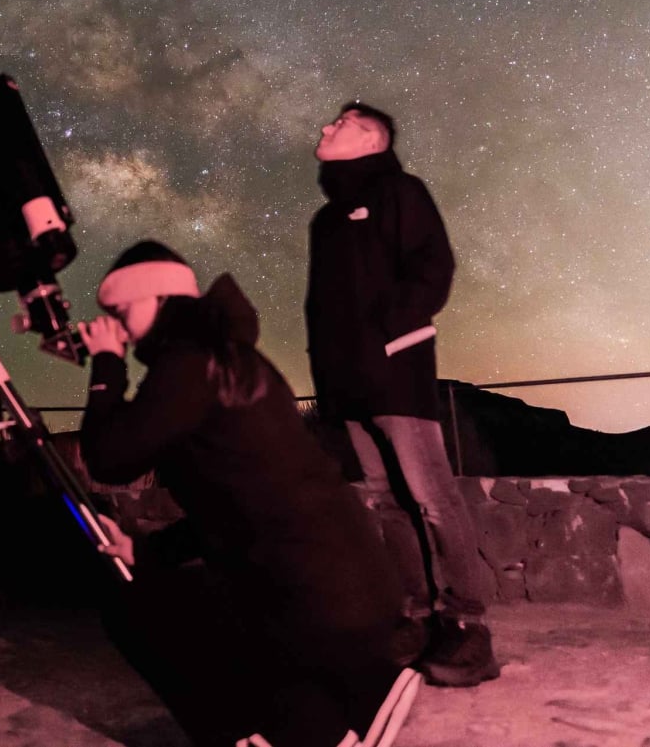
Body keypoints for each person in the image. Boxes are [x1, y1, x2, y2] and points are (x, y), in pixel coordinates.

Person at [78, 241, 421, 747]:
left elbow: (108, 459)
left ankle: (325, 714)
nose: (120, 329)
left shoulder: (189, 365)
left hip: (312, 601)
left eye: (121, 310)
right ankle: (349, 704)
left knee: (135, 607)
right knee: (193, 590)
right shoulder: (232, 359)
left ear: (156, 297)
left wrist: (106, 367)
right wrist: (146, 550)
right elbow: (233, 505)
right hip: (348, 587)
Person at [306, 101, 501, 688]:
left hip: (395, 373)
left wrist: (392, 333)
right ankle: (416, 618)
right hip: (346, 382)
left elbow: (433, 266)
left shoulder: (400, 191)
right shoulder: (326, 220)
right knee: (387, 503)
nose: (324, 127)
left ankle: (469, 629)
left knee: (433, 498)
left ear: (371, 140)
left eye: (339, 124)